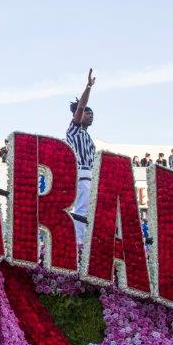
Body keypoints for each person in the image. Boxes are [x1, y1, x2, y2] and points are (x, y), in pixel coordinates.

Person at [65, 69, 96, 248]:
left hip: (91, 176)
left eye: (92, 114)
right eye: (87, 113)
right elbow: (82, 106)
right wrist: (88, 87)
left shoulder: (88, 138)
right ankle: (78, 244)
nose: (90, 115)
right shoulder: (74, 130)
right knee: (81, 209)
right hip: (82, 174)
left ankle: (88, 244)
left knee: (90, 211)